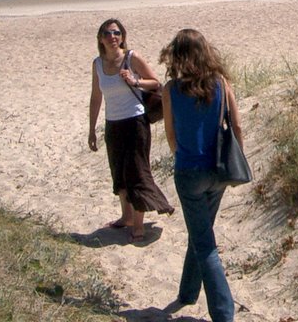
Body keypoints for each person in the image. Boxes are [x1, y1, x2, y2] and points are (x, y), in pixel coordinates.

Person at [161, 28, 243, 322]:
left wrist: (183, 156)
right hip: (218, 170)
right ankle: (187, 292)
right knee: (202, 230)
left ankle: (223, 314)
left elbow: (171, 136)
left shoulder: (170, 90)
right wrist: (233, 163)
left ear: (177, 55)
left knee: (205, 242)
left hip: (189, 171)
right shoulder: (221, 82)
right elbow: (236, 126)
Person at [88, 18, 174, 242]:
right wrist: (91, 129)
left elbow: (155, 83)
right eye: (107, 33)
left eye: (116, 33)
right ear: (100, 38)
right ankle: (126, 217)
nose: (112, 37)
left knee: (137, 171)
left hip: (135, 122)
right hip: (112, 123)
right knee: (119, 172)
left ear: (122, 37)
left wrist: (135, 80)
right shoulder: (97, 64)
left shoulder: (131, 57)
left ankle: (138, 225)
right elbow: (96, 98)